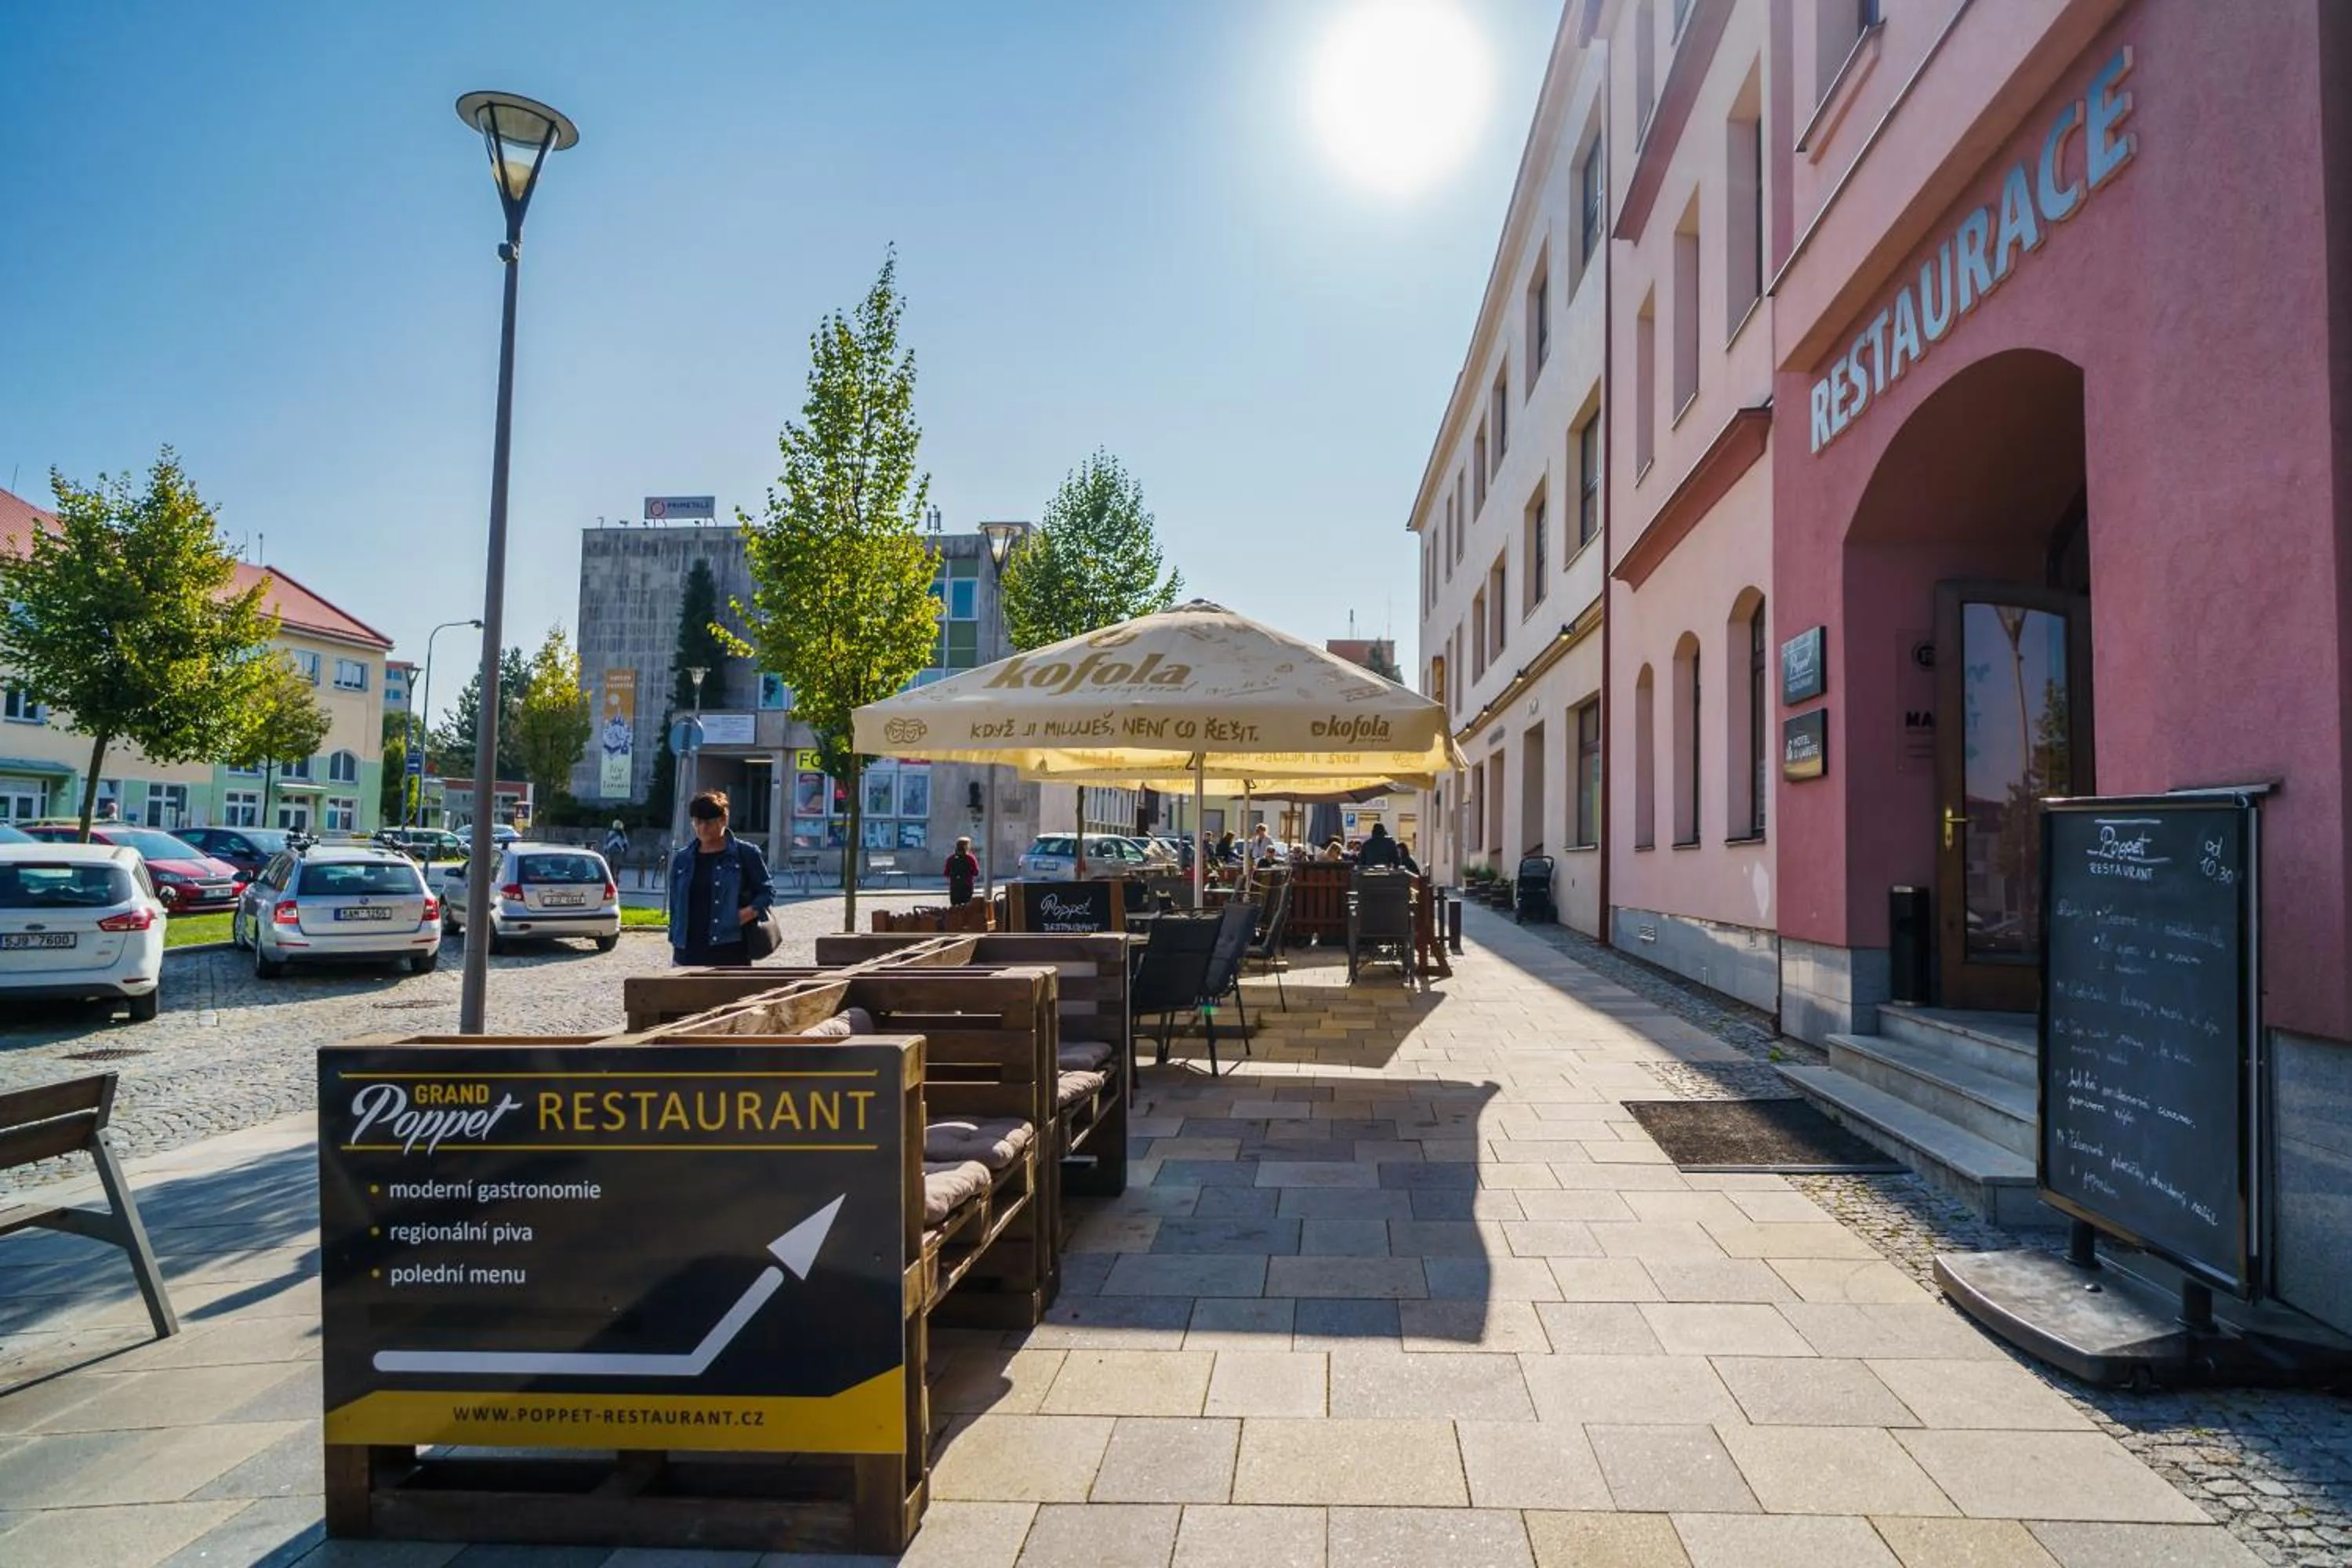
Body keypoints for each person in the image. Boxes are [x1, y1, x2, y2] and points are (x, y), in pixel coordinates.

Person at [666, 790, 775, 967]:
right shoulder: (683, 858)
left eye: (708, 823)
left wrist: (746, 914)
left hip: (729, 949)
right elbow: (675, 902)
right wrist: (675, 936)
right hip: (686, 951)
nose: (702, 828)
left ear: (723, 820)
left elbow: (767, 892)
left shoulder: (745, 854)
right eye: (697, 822)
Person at [944, 836, 981, 906]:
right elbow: (976, 872)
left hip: (955, 886)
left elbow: (946, 873)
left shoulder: (951, 859)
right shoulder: (971, 858)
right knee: (966, 908)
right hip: (967, 886)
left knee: (955, 908)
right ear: (967, 846)